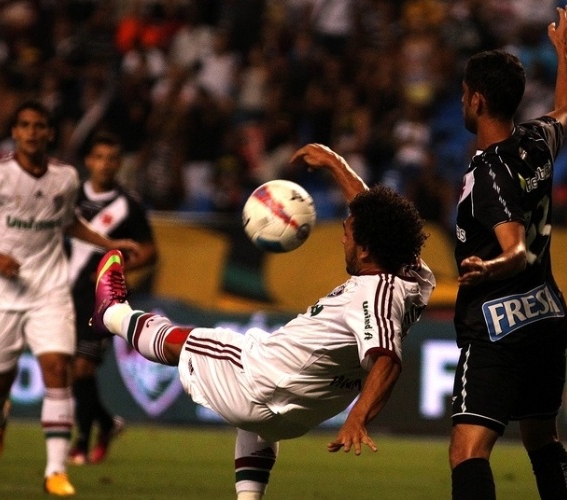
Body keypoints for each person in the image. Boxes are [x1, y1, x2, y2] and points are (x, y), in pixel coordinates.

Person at [90, 142, 433, 500]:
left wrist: (359, 417)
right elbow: (374, 213)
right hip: (301, 411)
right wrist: (335, 164)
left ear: (364, 248)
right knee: (257, 406)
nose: (343, 237)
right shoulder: (414, 272)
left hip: (261, 379)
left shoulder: (377, 293)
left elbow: (387, 359)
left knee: (186, 341)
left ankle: (111, 312)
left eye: (347, 232)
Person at [0, 100, 142, 496]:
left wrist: (110, 243)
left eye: (40, 126)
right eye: (25, 126)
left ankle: (55, 470)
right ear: (16, 133)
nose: (33, 132)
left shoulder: (66, 177)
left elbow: (69, 222)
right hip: (2, 293)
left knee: (58, 369)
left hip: (49, 291)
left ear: (50, 133)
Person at [448, 6, 567, 500]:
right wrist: (565, 52)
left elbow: (516, 251)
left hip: (498, 325)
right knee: (542, 438)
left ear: (477, 100)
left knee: (468, 450)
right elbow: (566, 109)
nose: (462, 102)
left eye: (464, 95)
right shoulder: (535, 142)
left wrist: (488, 267)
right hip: (547, 314)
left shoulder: (487, 173)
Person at [66, 131, 158, 465]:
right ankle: (106, 424)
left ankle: (80, 441)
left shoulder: (127, 204)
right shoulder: (70, 196)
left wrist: (115, 268)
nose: (105, 164)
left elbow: (149, 251)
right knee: (67, 370)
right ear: (88, 161)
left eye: (112, 158)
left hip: (98, 299)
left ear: (119, 163)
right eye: (99, 157)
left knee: (83, 367)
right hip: (60, 292)